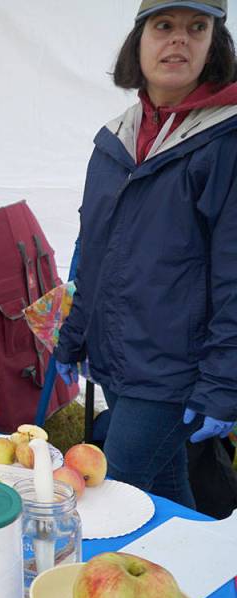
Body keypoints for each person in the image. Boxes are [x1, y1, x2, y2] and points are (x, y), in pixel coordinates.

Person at [54, 0, 237, 507]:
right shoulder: (115, 139)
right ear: (139, 40)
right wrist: (71, 336)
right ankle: (192, 569)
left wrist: (225, 380)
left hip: (176, 369)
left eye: (196, 28)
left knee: (110, 496)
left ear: (213, 43)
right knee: (164, 488)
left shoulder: (225, 139)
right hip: (120, 356)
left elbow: (233, 275)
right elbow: (90, 251)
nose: (179, 39)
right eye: (164, 26)